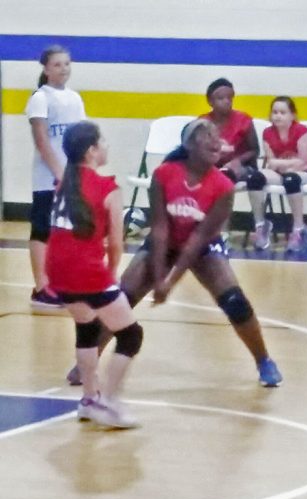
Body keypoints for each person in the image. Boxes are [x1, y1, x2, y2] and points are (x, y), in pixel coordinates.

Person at [67, 119, 282, 388]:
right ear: (189, 144)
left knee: (235, 301)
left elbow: (199, 239)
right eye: (208, 135)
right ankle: (89, 359)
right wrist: (158, 276)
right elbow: (159, 229)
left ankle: (264, 361)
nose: (217, 140)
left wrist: (170, 282)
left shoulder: (223, 186)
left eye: (218, 135)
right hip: (164, 243)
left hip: (203, 248)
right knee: (121, 297)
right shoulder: (165, 174)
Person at [47, 122, 142, 428]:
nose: (107, 146)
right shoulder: (108, 190)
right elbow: (116, 242)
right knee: (131, 334)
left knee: (86, 326)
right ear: (91, 151)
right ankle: (108, 402)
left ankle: (88, 399)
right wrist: (110, 275)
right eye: (103, 141)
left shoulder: (64, 182)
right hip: (86, 272)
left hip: (56, 270)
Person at [25, 45, 86, 308]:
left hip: (71, 175)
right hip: (47, 177)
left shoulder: (75, 98)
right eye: (58, 64)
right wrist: (59, 173)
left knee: (66, 231)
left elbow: (82, 138)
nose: (63, 69)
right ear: (46, 69)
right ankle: (41, 287)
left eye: (67, 64)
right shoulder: (41, 97)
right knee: (43, 229)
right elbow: (42, 141)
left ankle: (60, 282)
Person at [248, 96, 307, 251]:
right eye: (275, 112)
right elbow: (271, 162)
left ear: (293, 115)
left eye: (283, 112)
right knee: (254, 178)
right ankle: (261, 225)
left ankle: (298, 229)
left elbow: (304, 162)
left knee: (290, 180)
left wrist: (282, 165)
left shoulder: (303, 132)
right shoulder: (267, 133)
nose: (278, 116)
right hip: (283, 171)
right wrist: (285, 165)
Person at [201, 78, 259, 184]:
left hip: (242, 166)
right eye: (221, 98)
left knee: (224, 177)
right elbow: (197, 150)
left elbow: (255, 150)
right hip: (213, 166)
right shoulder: (203, 122)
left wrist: (238, 161)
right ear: (210, 101)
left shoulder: (244, 119)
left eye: (229, 98)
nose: (226, 101)